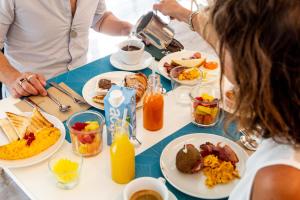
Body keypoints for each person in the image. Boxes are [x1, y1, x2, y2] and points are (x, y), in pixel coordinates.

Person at [155, 0, 300, 200]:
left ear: (250, 62)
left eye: (226, 42)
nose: (218, 48)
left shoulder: (278, 182)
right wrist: (181, 12)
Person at [0, 0, 132, 98]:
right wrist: (14, 78)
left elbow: (99, 19)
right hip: (32, 93)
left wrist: (132, 29)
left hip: (81, 86)